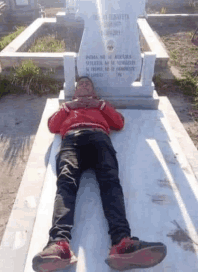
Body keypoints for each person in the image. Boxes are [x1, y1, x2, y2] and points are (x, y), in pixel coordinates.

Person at [32, 76, 167, 272]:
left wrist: (100, 105)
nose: (84, 86)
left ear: (94, 92)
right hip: (71, 140)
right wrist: (70, 106)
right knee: (66, 184)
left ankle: (122, 243)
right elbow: (52, 126)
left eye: (88, 84)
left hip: (99, 138)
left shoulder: (101, 106)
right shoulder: (68, 107)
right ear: (75, 91)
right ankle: (58, 244)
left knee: (110, 183)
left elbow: (119, 122)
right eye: (80, 85)